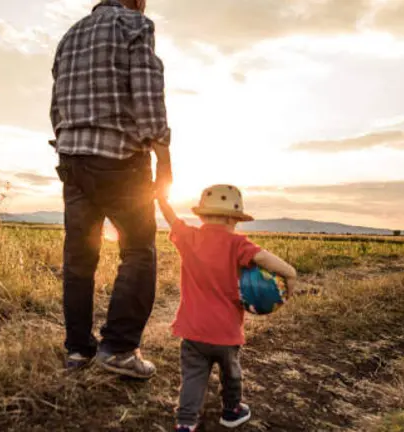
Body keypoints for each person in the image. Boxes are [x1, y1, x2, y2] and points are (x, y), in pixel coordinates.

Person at [49, 0, 172, 380]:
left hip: (73, 161)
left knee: (79, 259)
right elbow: (149, 100)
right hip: (120, 161)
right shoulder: (135, 25)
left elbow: (57, 106)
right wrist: (164, 159)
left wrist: (70, 143)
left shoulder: (70, 35)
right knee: (138, 250)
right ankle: (118, 348)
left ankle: (77, 351)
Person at [156, 185, 298, 431]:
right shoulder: (237, 244)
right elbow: (263, 259)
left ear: (201, 215)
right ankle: (232, 411)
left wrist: (161, 199)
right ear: (234, 219)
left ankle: (186, 422)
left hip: (192, 329)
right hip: (226, 331)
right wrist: (290, 273)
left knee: (193, 377)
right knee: (231, 373)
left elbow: (172, 220)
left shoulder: (190, 238)